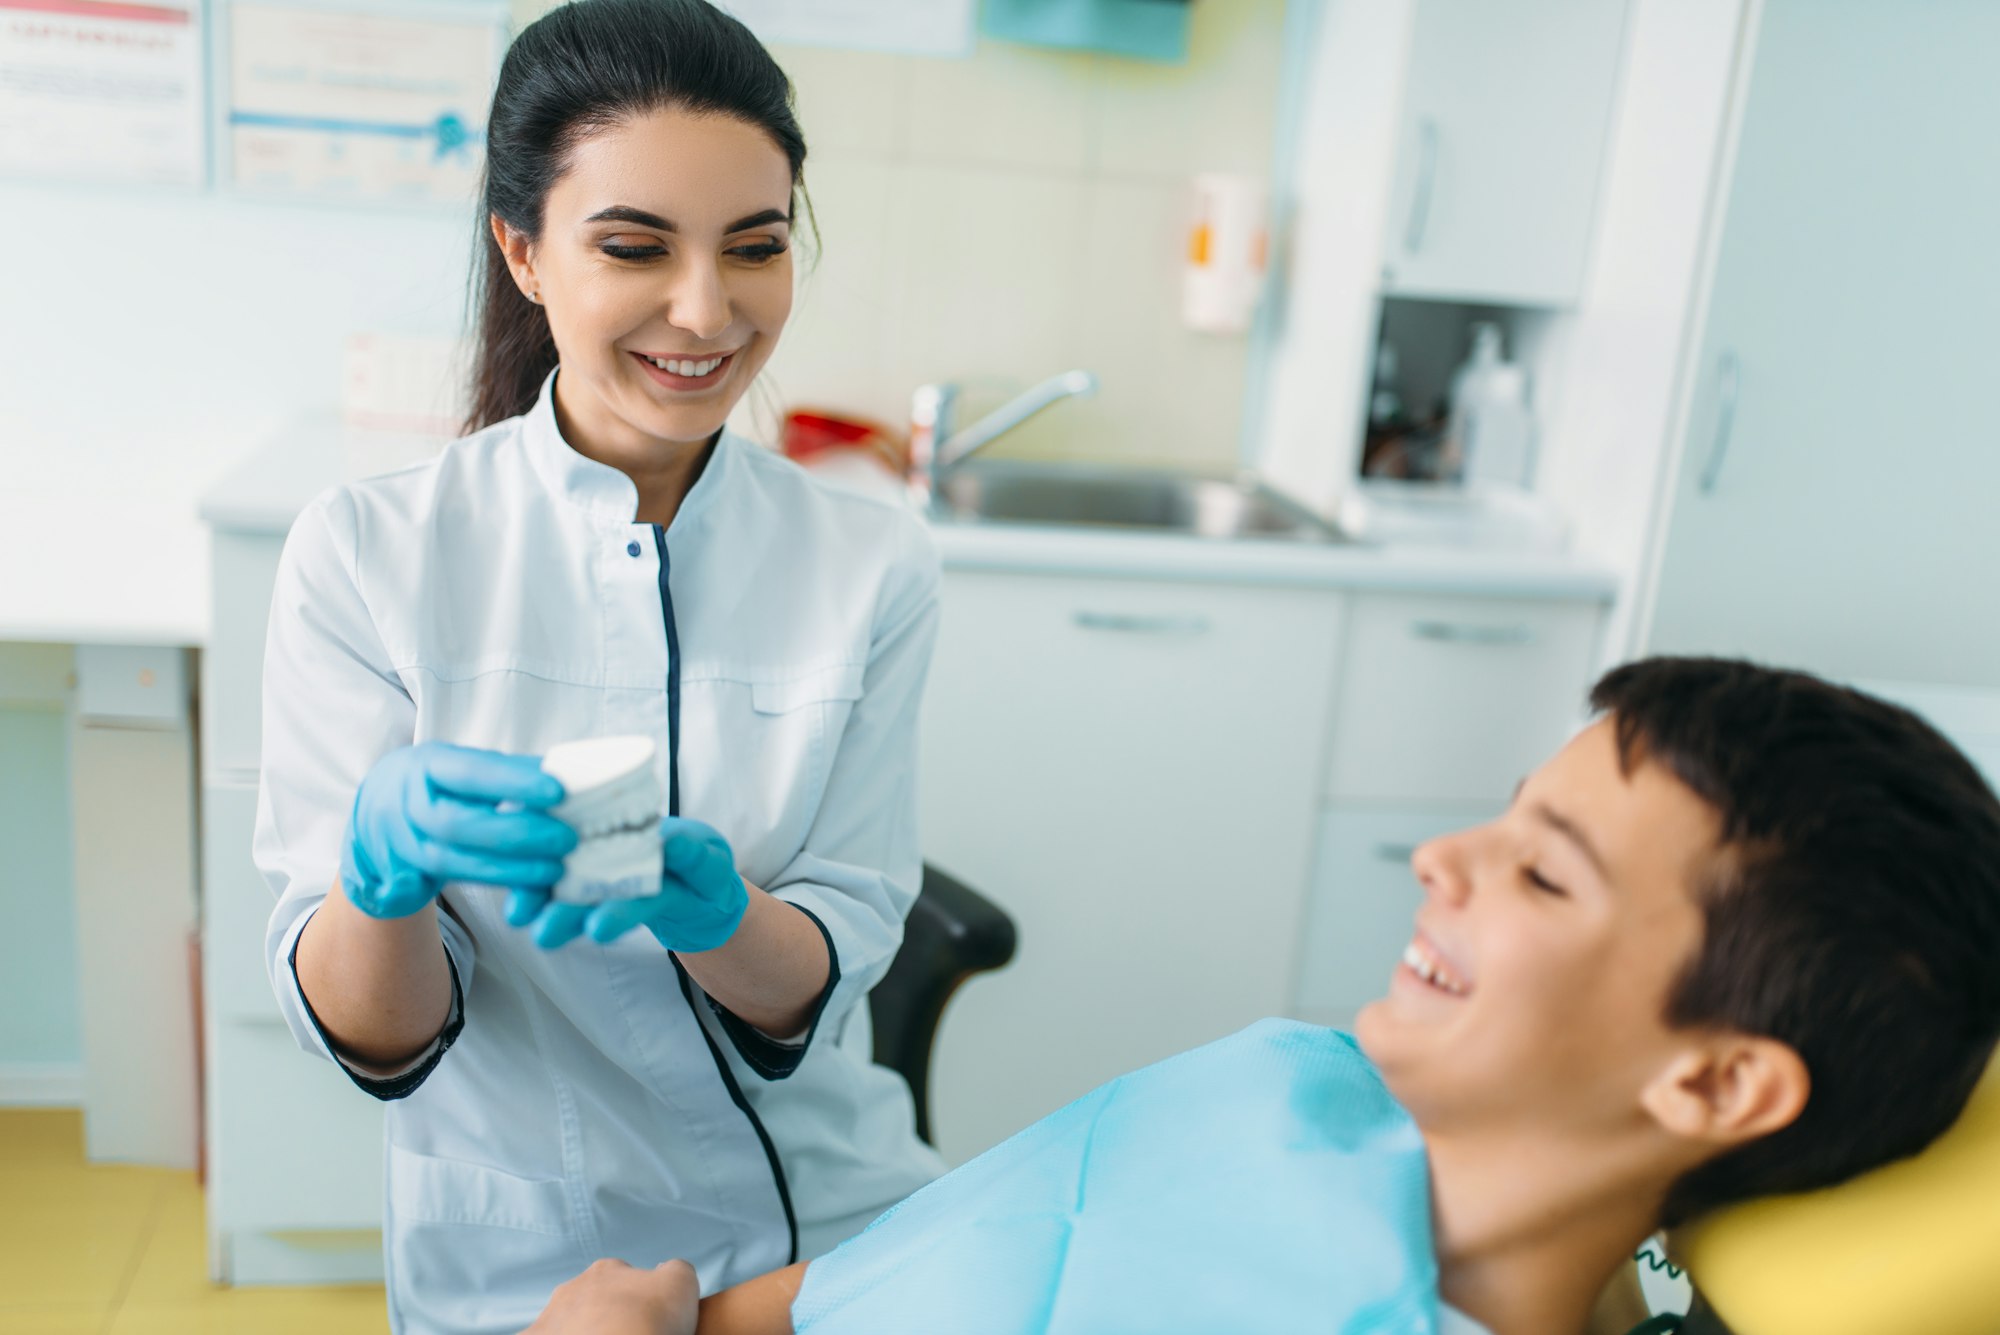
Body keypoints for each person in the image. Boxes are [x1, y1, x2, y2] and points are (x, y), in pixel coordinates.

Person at [524, 658, 2000, 1335]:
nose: (1437, 860)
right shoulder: (1290, 1076)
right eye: (1499, 816)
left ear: (1714, 1085)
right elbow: (873, 1286)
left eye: (1545, 878)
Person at [253, 4, 944, 1331]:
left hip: (826, 1212)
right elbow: (371, 1037)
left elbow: (828, 958)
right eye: (635, 246)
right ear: (523, 249)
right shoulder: (371, 555)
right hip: (529, 1250)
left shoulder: (871, 564)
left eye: (756, 248)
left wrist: (722, 918)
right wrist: (374, 873)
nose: (707, 311)